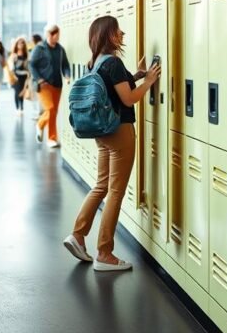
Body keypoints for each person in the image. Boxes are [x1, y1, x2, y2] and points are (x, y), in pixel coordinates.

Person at [64, 15, 160, 271]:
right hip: (120, 131)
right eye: (118, 31)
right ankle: (105, 253)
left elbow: (115, 88)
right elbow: (128, 99)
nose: (122, 34)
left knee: (101, 186)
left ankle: (77, 234)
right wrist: (148, 82)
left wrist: (139, 74)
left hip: (102, 133)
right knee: (116, 191)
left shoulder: (95, 63)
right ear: (109, 35)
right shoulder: (114, 63)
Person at [30, 23, 70, 148]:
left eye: (58, 35)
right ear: (49, 35)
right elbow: (31, 64)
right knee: (50, 109)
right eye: (56, 35)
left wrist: (67, 75)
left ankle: (49, 136)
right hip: (44, 85)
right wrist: (39, 79)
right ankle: (43, 128)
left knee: (54, 112)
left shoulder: (60, 49)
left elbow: (65, 65)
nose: (57, 38)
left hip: (57, 84)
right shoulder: (39, 48)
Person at [9, 37, 30, 115]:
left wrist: (28, 74)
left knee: (22, 92)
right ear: (16, 44)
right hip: (15, 76)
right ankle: (17, 108)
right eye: (19, 43)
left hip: (24, 77)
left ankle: (22, 108)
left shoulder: (26, 55)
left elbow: (27, 67)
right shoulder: (14, 55)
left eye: (22, 43)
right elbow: (12, 68)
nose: (21, 44)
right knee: (17, 92)